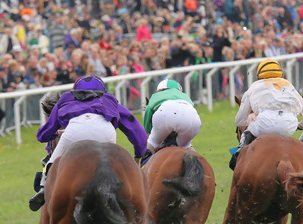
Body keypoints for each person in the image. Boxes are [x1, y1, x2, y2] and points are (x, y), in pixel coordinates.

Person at [28, 75, 147, 212]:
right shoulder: (110, 100)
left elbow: (43, 134)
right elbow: (136, 130)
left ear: (75, 90)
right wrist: (139, 154)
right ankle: (127, 194)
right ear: (102, 91)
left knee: (52, 163)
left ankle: (43, 189)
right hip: (105, 132)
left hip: (74, 132)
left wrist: (56, 133)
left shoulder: (66, 99)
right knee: (114, 164)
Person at [229, 59, 303, 170]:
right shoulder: (289, 85)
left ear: (259, 75)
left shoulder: (255, 85)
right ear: (280, 74)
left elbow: (239, 121)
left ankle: (239, 152)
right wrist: (299, 126)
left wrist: (251, 119)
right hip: (289, 126)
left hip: (265, 124)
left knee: (248, 130)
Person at [142, 78, 201, 160]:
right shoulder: (185, 96)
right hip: (192, 118)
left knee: (152, 143)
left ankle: (140, 169)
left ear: (160, 90)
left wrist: (147, 132)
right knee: (186, 146)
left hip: (165, 115)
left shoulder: (157, 95)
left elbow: (148, 110)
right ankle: (200, 167)